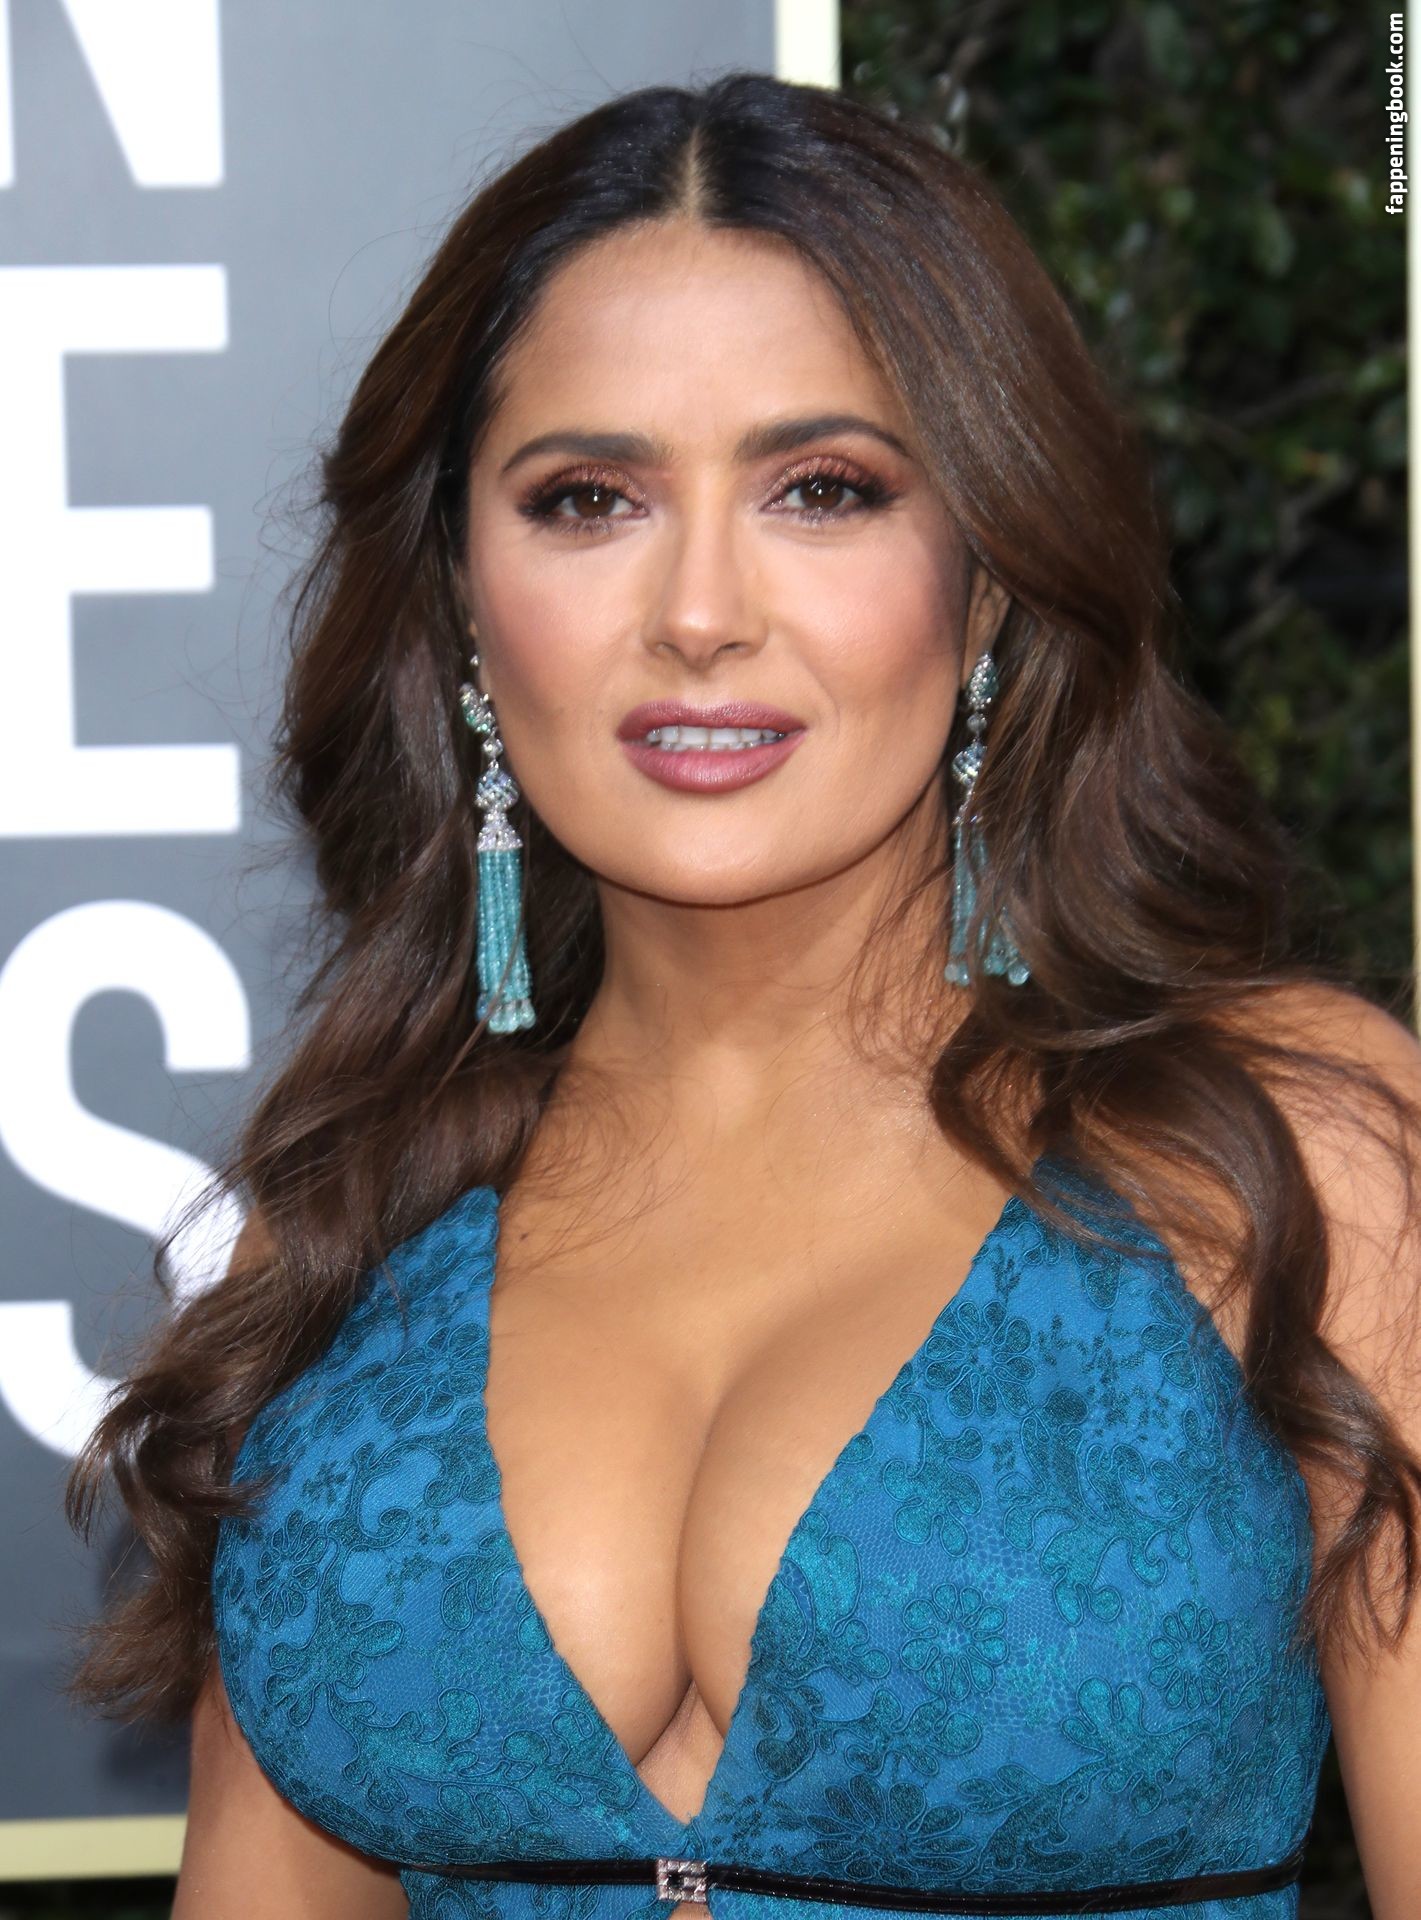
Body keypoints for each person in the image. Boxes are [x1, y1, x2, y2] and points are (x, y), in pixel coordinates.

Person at [67, 71, 1421, 1920]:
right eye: (589, 499)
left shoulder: (1298, 1153)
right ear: (460, 597)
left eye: (821, 491)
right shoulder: (351, 1222)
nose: (699, 611)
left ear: (988, 581)